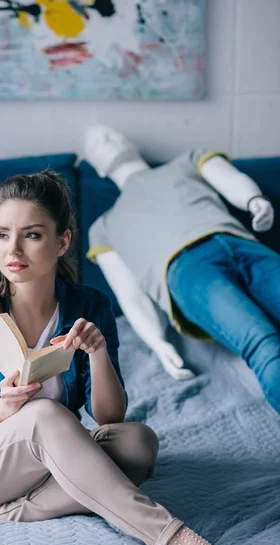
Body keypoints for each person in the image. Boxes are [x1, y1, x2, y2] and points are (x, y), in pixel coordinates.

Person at [0, 170, 258, 545]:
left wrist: (96, 353)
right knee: (42, 413)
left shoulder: (89, 306)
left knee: (137, 443)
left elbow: (109, 417)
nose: (12, 250)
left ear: (62, 242)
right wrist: (3, 409)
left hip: (50, 455)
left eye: (31, 235)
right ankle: (179, 542)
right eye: (2, 234)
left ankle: (2, 518)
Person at [85, 124, 279, 414]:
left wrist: (255, 200)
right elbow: (129, 295)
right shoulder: (104, 226)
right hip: (187, 272)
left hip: (246, 246)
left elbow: (231, 179)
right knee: (263, 343)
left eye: (110, 133)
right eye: (97, 143)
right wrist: (158, 343)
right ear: (97, 168)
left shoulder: (187, 161)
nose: (106, 139)